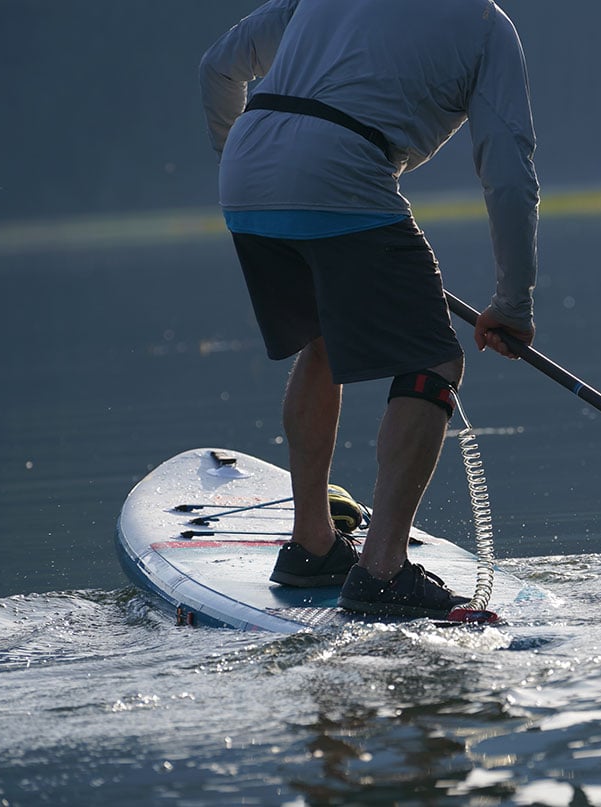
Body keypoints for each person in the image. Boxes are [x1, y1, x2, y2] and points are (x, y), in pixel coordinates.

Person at [199, 0, 539, 617]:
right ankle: (382, 571)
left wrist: (250, 166)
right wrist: (512, 304)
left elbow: (219, 67)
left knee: (324, 340)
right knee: (433, 358)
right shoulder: (487, 27)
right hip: (340, 170)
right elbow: (509, 173)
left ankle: (312, 545)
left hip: (247, 170)